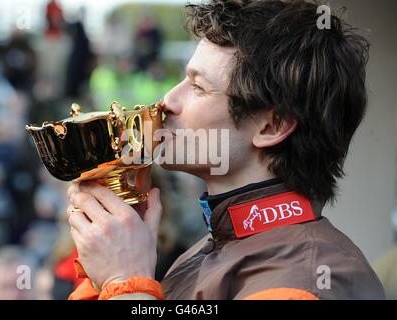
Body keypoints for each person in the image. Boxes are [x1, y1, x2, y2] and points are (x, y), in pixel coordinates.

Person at [65, 0, 385, 300]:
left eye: (198, 87)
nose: (166, 102)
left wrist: (124, 281)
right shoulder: (214, 248)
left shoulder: (301, 281)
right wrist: (106, 268)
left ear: (271, 126)